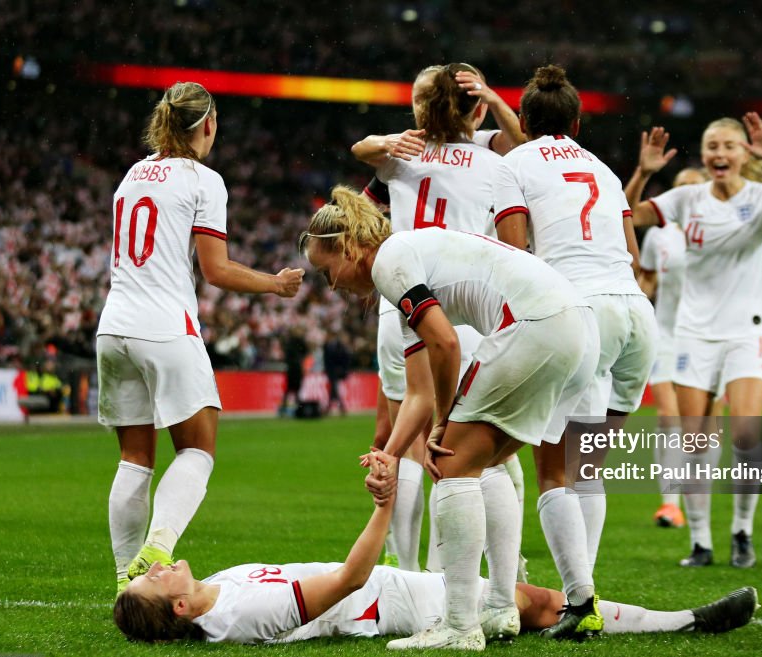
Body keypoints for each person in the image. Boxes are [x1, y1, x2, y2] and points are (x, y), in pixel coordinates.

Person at [300, 186, 599, 650]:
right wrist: (390, 455)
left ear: (349, 246)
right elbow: (416, 393)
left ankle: (460, 626)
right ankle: (499, 608)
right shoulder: (406, 263)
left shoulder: (390, 263)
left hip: (536, 323)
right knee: (487, 463)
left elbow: (446, 344)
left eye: (327, 270)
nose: (332, 285)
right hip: (577, 326)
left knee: (450, 463)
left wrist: (444, 422)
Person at [113, 453, 759, 644]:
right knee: (535, 603)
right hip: (390, 601)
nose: (161, 565)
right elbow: (345, 580)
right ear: (178, 611)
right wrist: (384, 503)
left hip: (389, 588)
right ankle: (688, 623)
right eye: (155, 580)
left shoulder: (219, 587)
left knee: (520, 593)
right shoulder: (237, 618)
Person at [98, 82, 304, 595]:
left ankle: (126, 584)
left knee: (134, 458)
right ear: (207, 124)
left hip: (113, 326)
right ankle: (158, 548)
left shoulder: (131, 175)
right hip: (165, 326)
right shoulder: (203, 180)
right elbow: (216, 271)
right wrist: (274, 284)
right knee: (197, 450)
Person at [493, 65, 657, 639]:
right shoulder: (605, 171)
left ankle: (579, 599)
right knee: (587, 469)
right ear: (578, 122)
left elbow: (515, 255)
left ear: (523, 121)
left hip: (581, 313)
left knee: (554, 472)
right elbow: (634, 254)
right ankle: (582, 591)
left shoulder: (512, 164)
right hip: (636, 316)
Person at [351, 63, 527, 575]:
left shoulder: (400, 158)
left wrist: (385, 139)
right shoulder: (496, 165)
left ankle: (406, 574)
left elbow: (361, 150)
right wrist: (494, 97)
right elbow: (522, 144)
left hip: (399, 305)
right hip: (464, 311)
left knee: (403, 444)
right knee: (473, 451)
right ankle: (486, 572)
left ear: (418, 110)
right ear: (476, 108)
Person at [628, 114, 762, 568]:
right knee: (696, 441)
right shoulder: (686, 198)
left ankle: (742, 532)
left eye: (729, 146)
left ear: (744, 153)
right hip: (694, 333)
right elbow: (628, 214)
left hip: (748, 330)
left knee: (747, 435)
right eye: (712, 145)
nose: (719, 153)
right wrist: (643, 173)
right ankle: (700, 542)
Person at [633, 166, 710, 529]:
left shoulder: (718, 236)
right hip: (665, 333)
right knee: (668, 417)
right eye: (682, 188)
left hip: (707, 336)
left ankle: (699, 505)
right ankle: (670, 504)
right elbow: (647, 279)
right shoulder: (659, 236)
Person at [323, 332, 352, 416]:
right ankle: (339, 407)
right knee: (333, 390)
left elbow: (342, 359)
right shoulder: (331, 346)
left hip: (334, 372)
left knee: (333, 390)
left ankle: (333, 408)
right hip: (332, 372)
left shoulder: (336, 347)